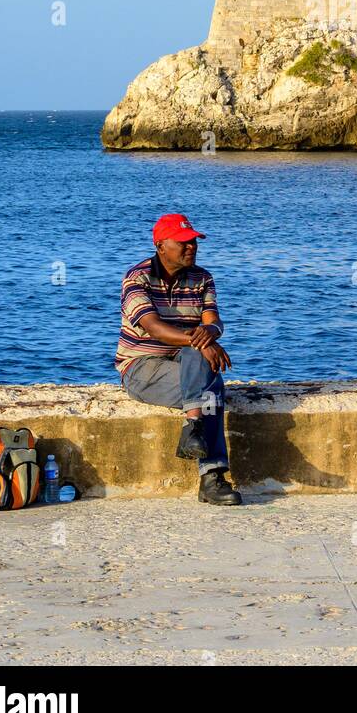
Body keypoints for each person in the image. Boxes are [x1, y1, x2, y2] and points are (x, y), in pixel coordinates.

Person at [115, 213, 242, 505]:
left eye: (193, 242)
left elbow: (214, 322)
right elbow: (154, 329)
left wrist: (207, 334)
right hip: (142, 367)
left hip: (186, 363)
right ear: (161, 246)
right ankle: (212, 477)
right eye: (183, 242)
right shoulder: (138, 278)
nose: (191, 248)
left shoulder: (202, 278)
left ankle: (192, 429)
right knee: (211, 388)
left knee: (202, 370)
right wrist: (201, 340)